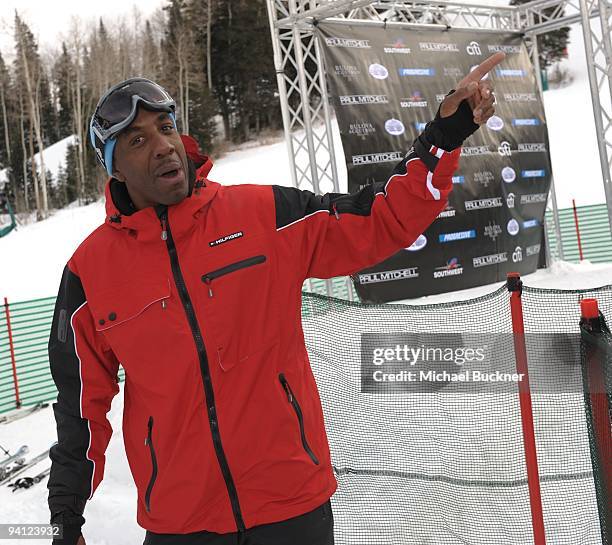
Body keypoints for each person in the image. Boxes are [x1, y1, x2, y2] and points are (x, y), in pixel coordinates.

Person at [47, 52, 503, 545]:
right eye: (137, 141)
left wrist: (443, 136)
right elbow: (78, 410)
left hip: (291, 505)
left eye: (166, 128)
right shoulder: (88, 273)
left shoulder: (263, 213)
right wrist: (64, 521)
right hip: (180, 522)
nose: (162, 147)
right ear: (114, 170)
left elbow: (381, 218)